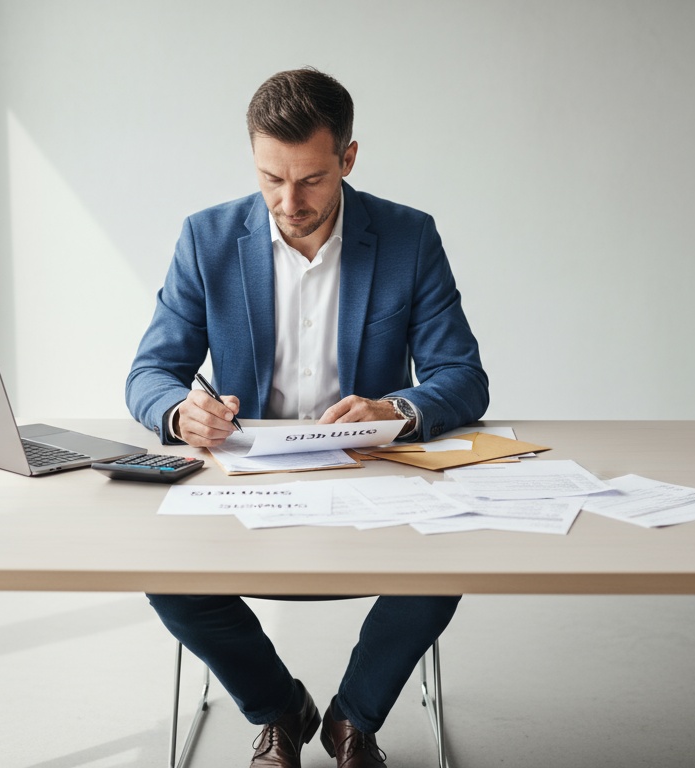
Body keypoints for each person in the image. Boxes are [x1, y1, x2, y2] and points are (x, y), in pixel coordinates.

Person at [126, 67, 488, 768]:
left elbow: (462, 377)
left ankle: (354, 719)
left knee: (450, 556)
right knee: (162, 572)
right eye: (271, 178)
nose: (289, 202)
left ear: (348, 159)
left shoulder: (409, 238)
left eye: (312, 180)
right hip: (244, 474)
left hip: (372, 470)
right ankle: (280, 709)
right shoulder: (206, 239)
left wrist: (397, 409)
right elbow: (150, 373)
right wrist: (180, 412)